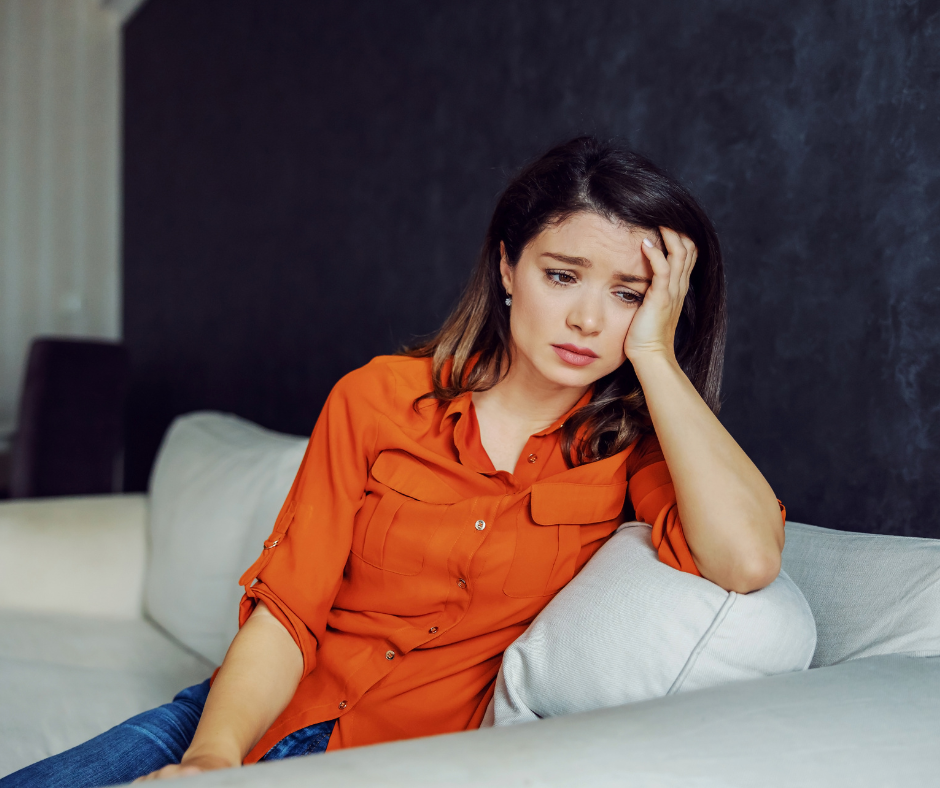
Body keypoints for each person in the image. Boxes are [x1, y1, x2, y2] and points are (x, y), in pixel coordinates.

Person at [2, 136, 784, 787]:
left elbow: (747, 559)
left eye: (628, 293)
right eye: (562, 275)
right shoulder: (379, 397)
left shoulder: (632, 449)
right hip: (239, 714)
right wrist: (215, 760)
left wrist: (655, 356)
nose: (587, 317)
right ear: (509, 269)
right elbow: (289, 610)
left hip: (392, 759)